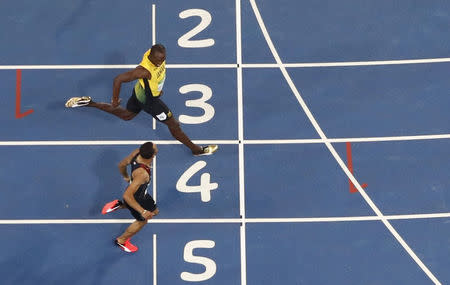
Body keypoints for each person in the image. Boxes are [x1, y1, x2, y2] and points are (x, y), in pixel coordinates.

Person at [65, 44, 217, 156]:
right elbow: (118, 79)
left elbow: (158, 70)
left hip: (139, 93)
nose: (161, 62)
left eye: (163, 59)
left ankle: (89, 103)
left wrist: (157, 87)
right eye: (158, 60)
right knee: (174, 125)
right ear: (151, 57)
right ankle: (196, 150)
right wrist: (115, 100)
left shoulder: (154, 53)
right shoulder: (143, 70)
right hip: (150, 102)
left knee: (126, 116)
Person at [101, 141, 159, 253]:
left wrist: (126, 177)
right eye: (156, 148)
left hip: (141, 192)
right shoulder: (142, 174)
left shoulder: (136, 153)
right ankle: (121, 240)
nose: (156, 145)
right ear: (152, 155)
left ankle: (119, 205)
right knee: (142, 221)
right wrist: (143, 212)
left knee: (155, 211)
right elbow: (127, 195)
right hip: (137, 197)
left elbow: (121, 165)